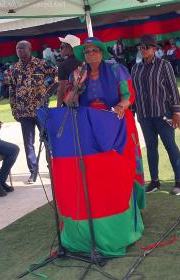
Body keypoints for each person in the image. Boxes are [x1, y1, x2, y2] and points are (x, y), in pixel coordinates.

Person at [65, 36, 145, 251]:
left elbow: (130, 96)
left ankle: (128, 210)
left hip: (117, 124)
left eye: (95, 50)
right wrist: (76, 88)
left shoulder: (117, 70)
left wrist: (121, 104)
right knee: (97, 172)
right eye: (87, 51)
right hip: (89, 128)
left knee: (121, 167)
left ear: (102, 52)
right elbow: (68, 102)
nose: (91, 54)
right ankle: (101, 211)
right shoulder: (78, 74)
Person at [131, 34, 180, 195]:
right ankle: (154, 181)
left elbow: (173, 89)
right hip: (144, 115)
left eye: (146, 47)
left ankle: (179, 182)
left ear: (154, 49)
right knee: (151, 148)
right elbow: (134, 92)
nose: (143, 50)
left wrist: (176, 111)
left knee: (170, 145)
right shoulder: (135, 68)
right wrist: (132, 112)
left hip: (163, 114)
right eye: (141, 47)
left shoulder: (164, 65)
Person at [9, 40, 57, 184]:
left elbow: (57, 75)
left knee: (48, 140)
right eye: (17, 48)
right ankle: (33, 172)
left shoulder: (41, 64)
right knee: (28, 143)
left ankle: (53, 168)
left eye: (22, 48)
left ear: (29, 49)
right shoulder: (15, 68)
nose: (19, 51)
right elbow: (12, 90)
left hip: (41, 110)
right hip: (24, 112)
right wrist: (14, 110)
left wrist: (49, 92)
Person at [56, 34, 81, 107]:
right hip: (85, 101)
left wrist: (58, 107)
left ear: (70, 48)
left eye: (62, 47)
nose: (60, 49)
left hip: (70, 102)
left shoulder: (63, 65)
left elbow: (62, 89)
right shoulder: (84, 61)